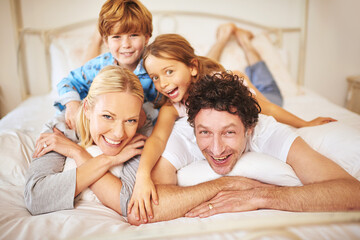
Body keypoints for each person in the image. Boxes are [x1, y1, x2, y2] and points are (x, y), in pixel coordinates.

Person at [127, 33, 336, 224]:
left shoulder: (224, 83)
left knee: (268, 91)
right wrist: (142, 176)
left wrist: (304, 124)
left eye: (169, 72)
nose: (162, 83)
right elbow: (157, 139)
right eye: (155, 77)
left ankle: (242, 42)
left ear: (192, 67)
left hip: (257, 97)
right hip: (207, 76)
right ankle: (222, 38)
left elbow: (268, 107)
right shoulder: (172, 106)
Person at [25, 65, 152, 216]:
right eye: (107, 116)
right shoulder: (60, 130)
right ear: (87, 109)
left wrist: (78, 153)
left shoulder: (141, 131)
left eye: (130, 120)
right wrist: (109, 158)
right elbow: (36, 197)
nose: (119, 134)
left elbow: (129, 203)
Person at [207, 23, 284, 106]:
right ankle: (242, 41)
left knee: (206, 77)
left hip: (265, 99)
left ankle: (227, 39)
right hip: (265, 98)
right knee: (267, 87)